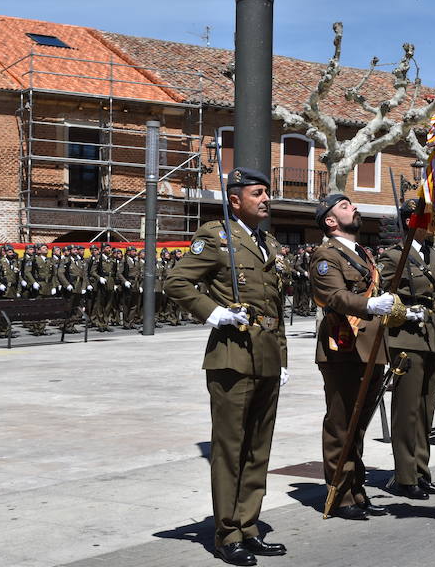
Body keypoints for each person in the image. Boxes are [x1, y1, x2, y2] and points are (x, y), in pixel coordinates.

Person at [165, 167, 288, 566]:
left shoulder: (267, 241)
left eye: (267, 192)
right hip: (232, 355)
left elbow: (275, 308)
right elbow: (177, 282)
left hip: (267, 354)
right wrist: (214, 313)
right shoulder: (216, 236)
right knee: (230, 448)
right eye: (258, 193)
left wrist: (282, 358)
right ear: (235, 200)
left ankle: (249, 525)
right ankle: (227, 532)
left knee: (258, 448)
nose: (266, 199)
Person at [309, 194, 395, 521]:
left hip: (371, 349)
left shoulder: (363, 253)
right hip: (342, 347)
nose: (354, 208)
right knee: (341, 424)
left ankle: (357, 490)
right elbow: (333, 295)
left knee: (358, 426)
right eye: (344, 207)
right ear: (330, 221)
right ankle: (340, 495)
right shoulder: (325, 254)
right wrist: (369, 305)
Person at [378, 199, 435, 500]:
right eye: (427, 218)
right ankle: (404, 476)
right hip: (406, 340)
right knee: (406, 412)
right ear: (411, 222)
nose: (432, 223)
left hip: (430, 339)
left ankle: (421, 471)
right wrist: (405, 312)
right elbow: (382, 297)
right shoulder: (395, 257)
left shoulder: (431, 255)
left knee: (425, 410)